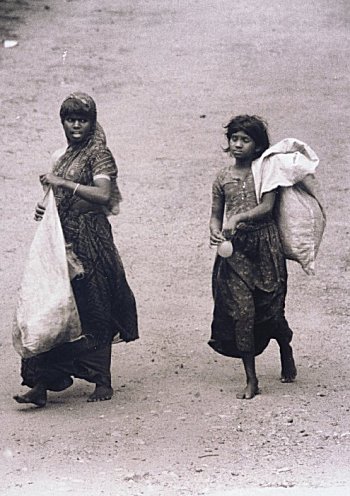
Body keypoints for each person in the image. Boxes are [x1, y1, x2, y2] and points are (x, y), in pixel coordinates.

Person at [14, 92, 138, 407]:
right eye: (70, 120)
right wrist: (46, 209)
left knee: (94, 306)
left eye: (82, 119)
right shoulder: (65, 155)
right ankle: (40, 383)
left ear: (91, 121)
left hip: (92, 241)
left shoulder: (100, 155)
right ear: (63, 122)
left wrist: (64, 184)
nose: (76, 125)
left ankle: (102, 381)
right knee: (53, 306)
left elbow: (103, 194)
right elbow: (57, 196)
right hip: (62, 241)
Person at [208, 115, 297, 400]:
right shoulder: (222, 178)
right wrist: (214, 232)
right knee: (242, 313)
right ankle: (251, 378)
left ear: (257, 145)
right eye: (234, 138)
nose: (237, 144)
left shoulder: (266, 172)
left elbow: (268, 207)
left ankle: (285, 346)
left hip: (265, 248)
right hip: (235, 253)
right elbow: (215, 215)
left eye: (244, 139)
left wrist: (240, 217)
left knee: (270, 311)